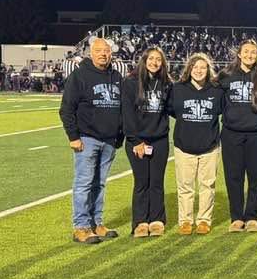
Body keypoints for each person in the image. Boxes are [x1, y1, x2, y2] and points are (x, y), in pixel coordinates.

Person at [59, 37, 123, 244]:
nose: (103, 54)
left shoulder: (116, 76)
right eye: (99, 51)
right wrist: (73, 137)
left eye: (106, 51)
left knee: (100, 184)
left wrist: (119, 136)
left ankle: (97, 223)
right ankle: (81, 227)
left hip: (109, 140)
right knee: (84, 183)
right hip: (87, 138)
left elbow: (122, 108)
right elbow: (66, 109)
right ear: (90, 53)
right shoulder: (79, 76)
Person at [219, 39, 257, 233]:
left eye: (253, 52)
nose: (250, 55)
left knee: (256, 177)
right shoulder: (226, 75)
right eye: (246, 52)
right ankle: (236, 217)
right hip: (232, 134)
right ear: (239, 54)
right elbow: (216, 98)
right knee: (234, 177)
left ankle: (251, 216)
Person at [170, 53, 223, 235]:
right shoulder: (178, 89)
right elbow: (172, 111)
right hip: (184, 146)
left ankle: (204, 220)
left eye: (203, 67)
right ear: (189, 69)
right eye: (195, 67)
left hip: (210, 146)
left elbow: (223, 111)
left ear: (208, 70)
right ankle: (185, 221)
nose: (199, 70)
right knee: (185, 186)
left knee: (207, 185)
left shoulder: (216, 90)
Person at [122, 47, 171, 237]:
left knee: (157, 182)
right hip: (137, 141)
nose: (154, 62)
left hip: (159, 140)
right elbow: (127, 113)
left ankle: (157, 219)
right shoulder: (131, 82)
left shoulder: (166, 83)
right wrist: (136, 141)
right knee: (142, 182)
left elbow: (171, 108)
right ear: (144, 60)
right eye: (151, 58)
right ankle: (140, 221)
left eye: (158, 59)